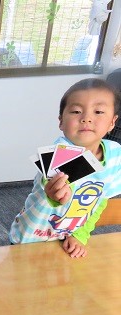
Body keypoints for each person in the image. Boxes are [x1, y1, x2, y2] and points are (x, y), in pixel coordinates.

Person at [10, 78, 121, 258]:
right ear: (61, 121)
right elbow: (52, 190)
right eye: (76, 111)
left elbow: (100, 201)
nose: (87, 118)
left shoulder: (116, 155)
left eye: (99, 111)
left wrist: (80, 234)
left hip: (68, 239)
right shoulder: (59, 153)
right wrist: (54, 195)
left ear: (112, 122)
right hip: (30, 238)